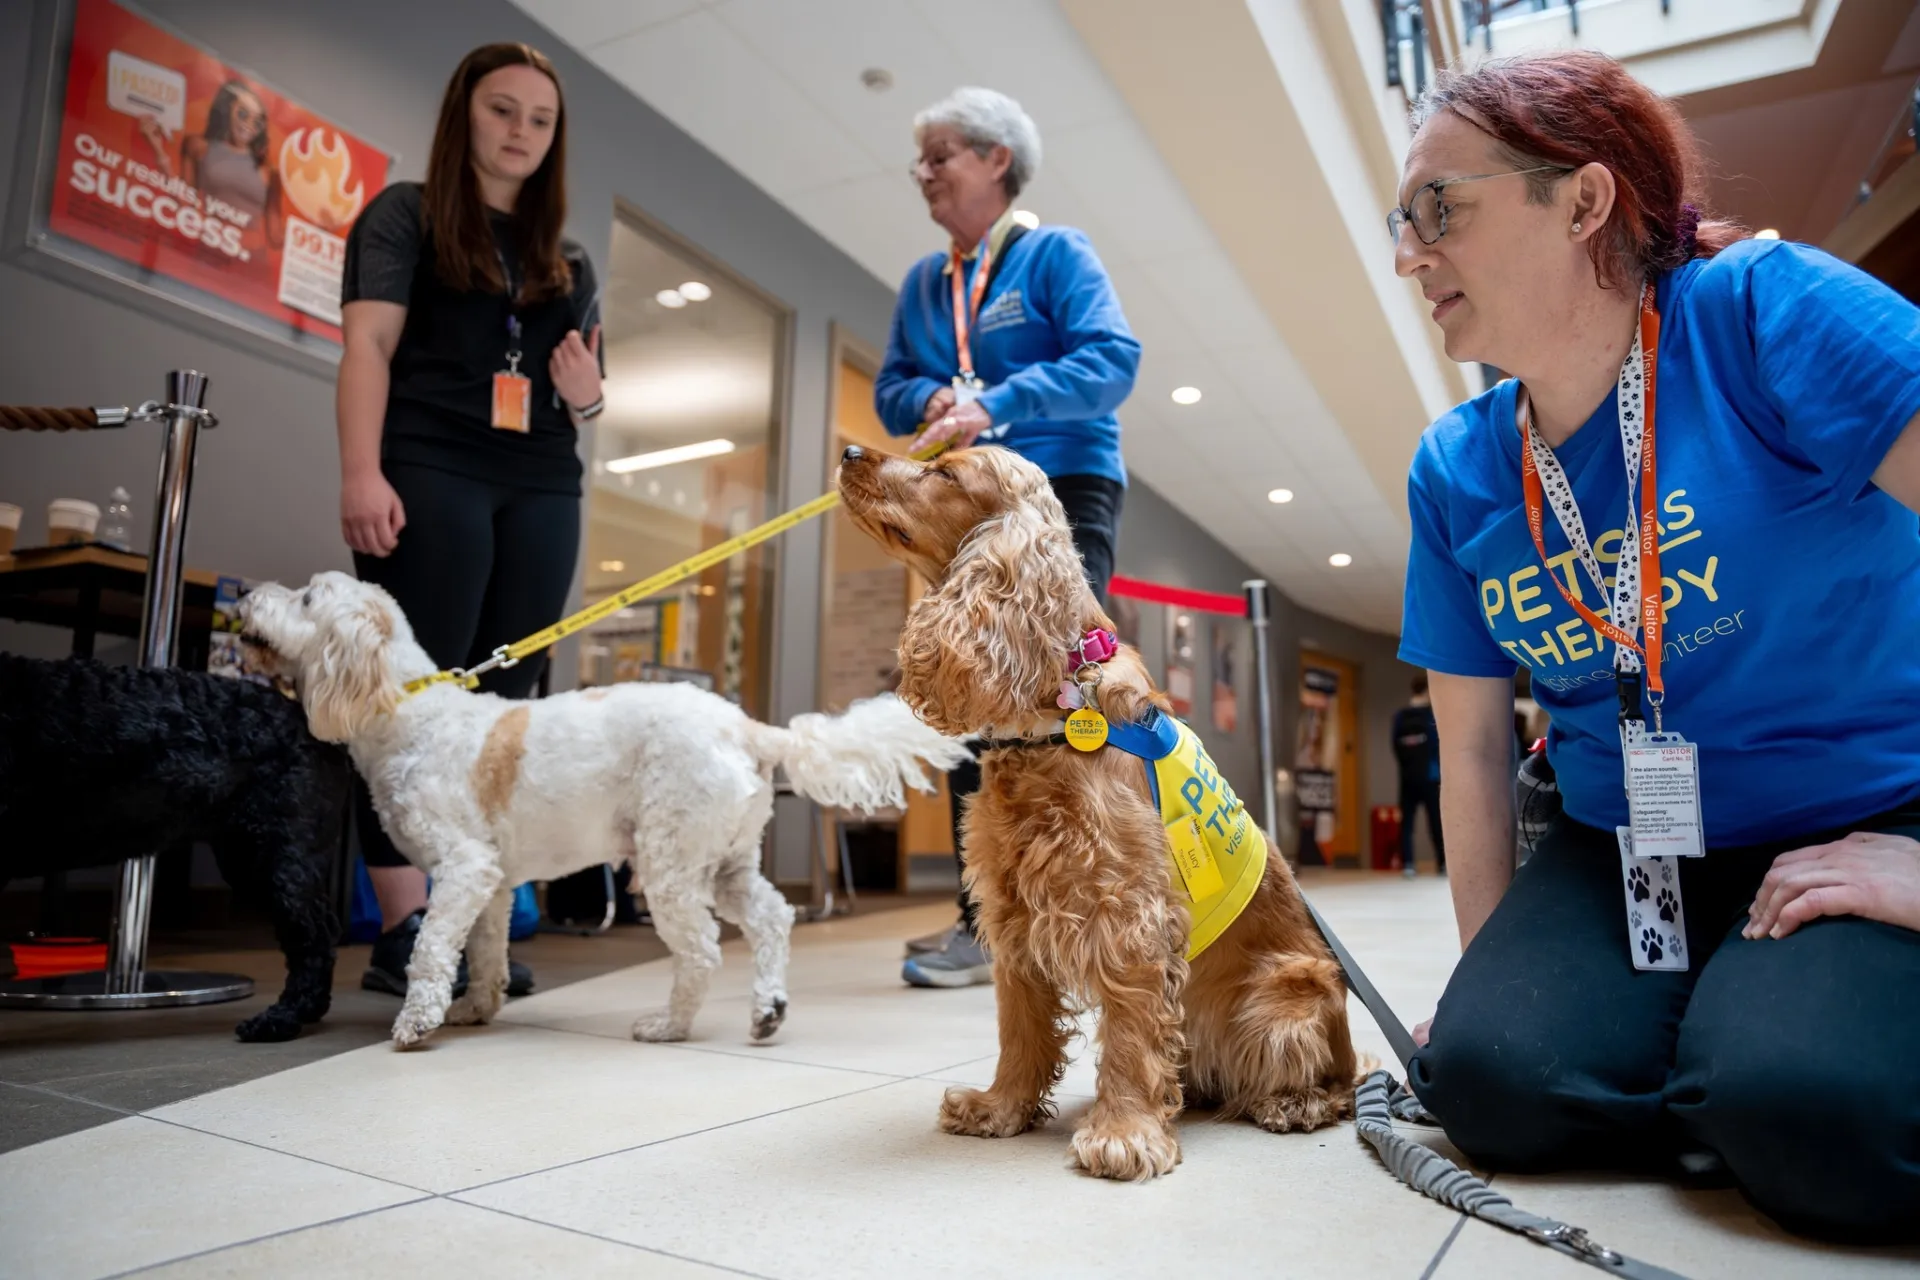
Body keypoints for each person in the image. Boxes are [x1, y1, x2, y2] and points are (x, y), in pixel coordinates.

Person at [1392, 50, 1920, 1242]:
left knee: (1810, 1115)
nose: (1409, 254)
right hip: (1628, 842)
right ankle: (1725, 1042)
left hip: (1872, 810)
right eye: (1402, 220)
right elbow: (1472, 754)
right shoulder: (1459, 467)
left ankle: (1754, 1055)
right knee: (1490, 1080)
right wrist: (1489, 988)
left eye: (1440, 208)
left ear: (1582, 200)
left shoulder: (1764, 311)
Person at [336, 42, 604, 998]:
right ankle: (404, 930)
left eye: (540, 119)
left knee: (501, 708)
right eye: (502, 109)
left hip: (540, 477)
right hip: (428, 460)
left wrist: (591, 394)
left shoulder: (568, 259)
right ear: (465, 114)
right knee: (408, 706)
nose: (521, 131)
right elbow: (367, 346)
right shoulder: (403, 215)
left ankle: (468, 925)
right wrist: (361, 472)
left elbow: (586, 395)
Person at [875, 86, 1140, 988]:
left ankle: (1092, 896)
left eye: (941, 155)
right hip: (964, 505)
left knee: (1059, 686)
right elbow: (893, 388)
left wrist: (998, 401)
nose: (924, 172)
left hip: (1063, 489)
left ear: (997, 159)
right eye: (922, 159)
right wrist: (932, 399)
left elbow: (1113, 362)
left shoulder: (1055, 254)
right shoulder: (925, 284)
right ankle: (988, 923)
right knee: (970, 678)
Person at [139, 79, 288, 251]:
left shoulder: (269, 173)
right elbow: (185, 205)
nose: (249, 126)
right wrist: (158, 149)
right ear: (227, 110)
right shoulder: (198, 147)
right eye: (242, 114)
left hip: (251, 260)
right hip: (208, 251)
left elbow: (276, 238)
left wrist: (311, 234)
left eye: (257, 122)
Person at [1391, 674, 1443, 877]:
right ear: (1428, 690)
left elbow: (1395, 746)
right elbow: (1438, 746)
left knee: (1407, 824)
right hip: (1430, 776)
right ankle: (1441, 862)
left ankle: (1408, 864)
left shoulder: (1400, 717)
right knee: (1435, 821)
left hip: (1407, 777)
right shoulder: (1431, 715)